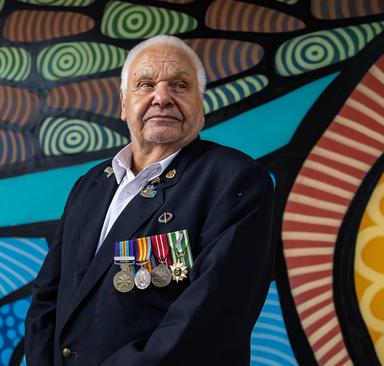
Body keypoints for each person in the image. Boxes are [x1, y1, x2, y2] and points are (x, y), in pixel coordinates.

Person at [25, 35, 275, 365]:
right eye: (145, 84)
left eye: (180, 85)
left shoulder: (235, 181)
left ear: (200, 102)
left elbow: (211, 322)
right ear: (124, 102)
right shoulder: (90, 186)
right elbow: (47, 298)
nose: (162, 97)